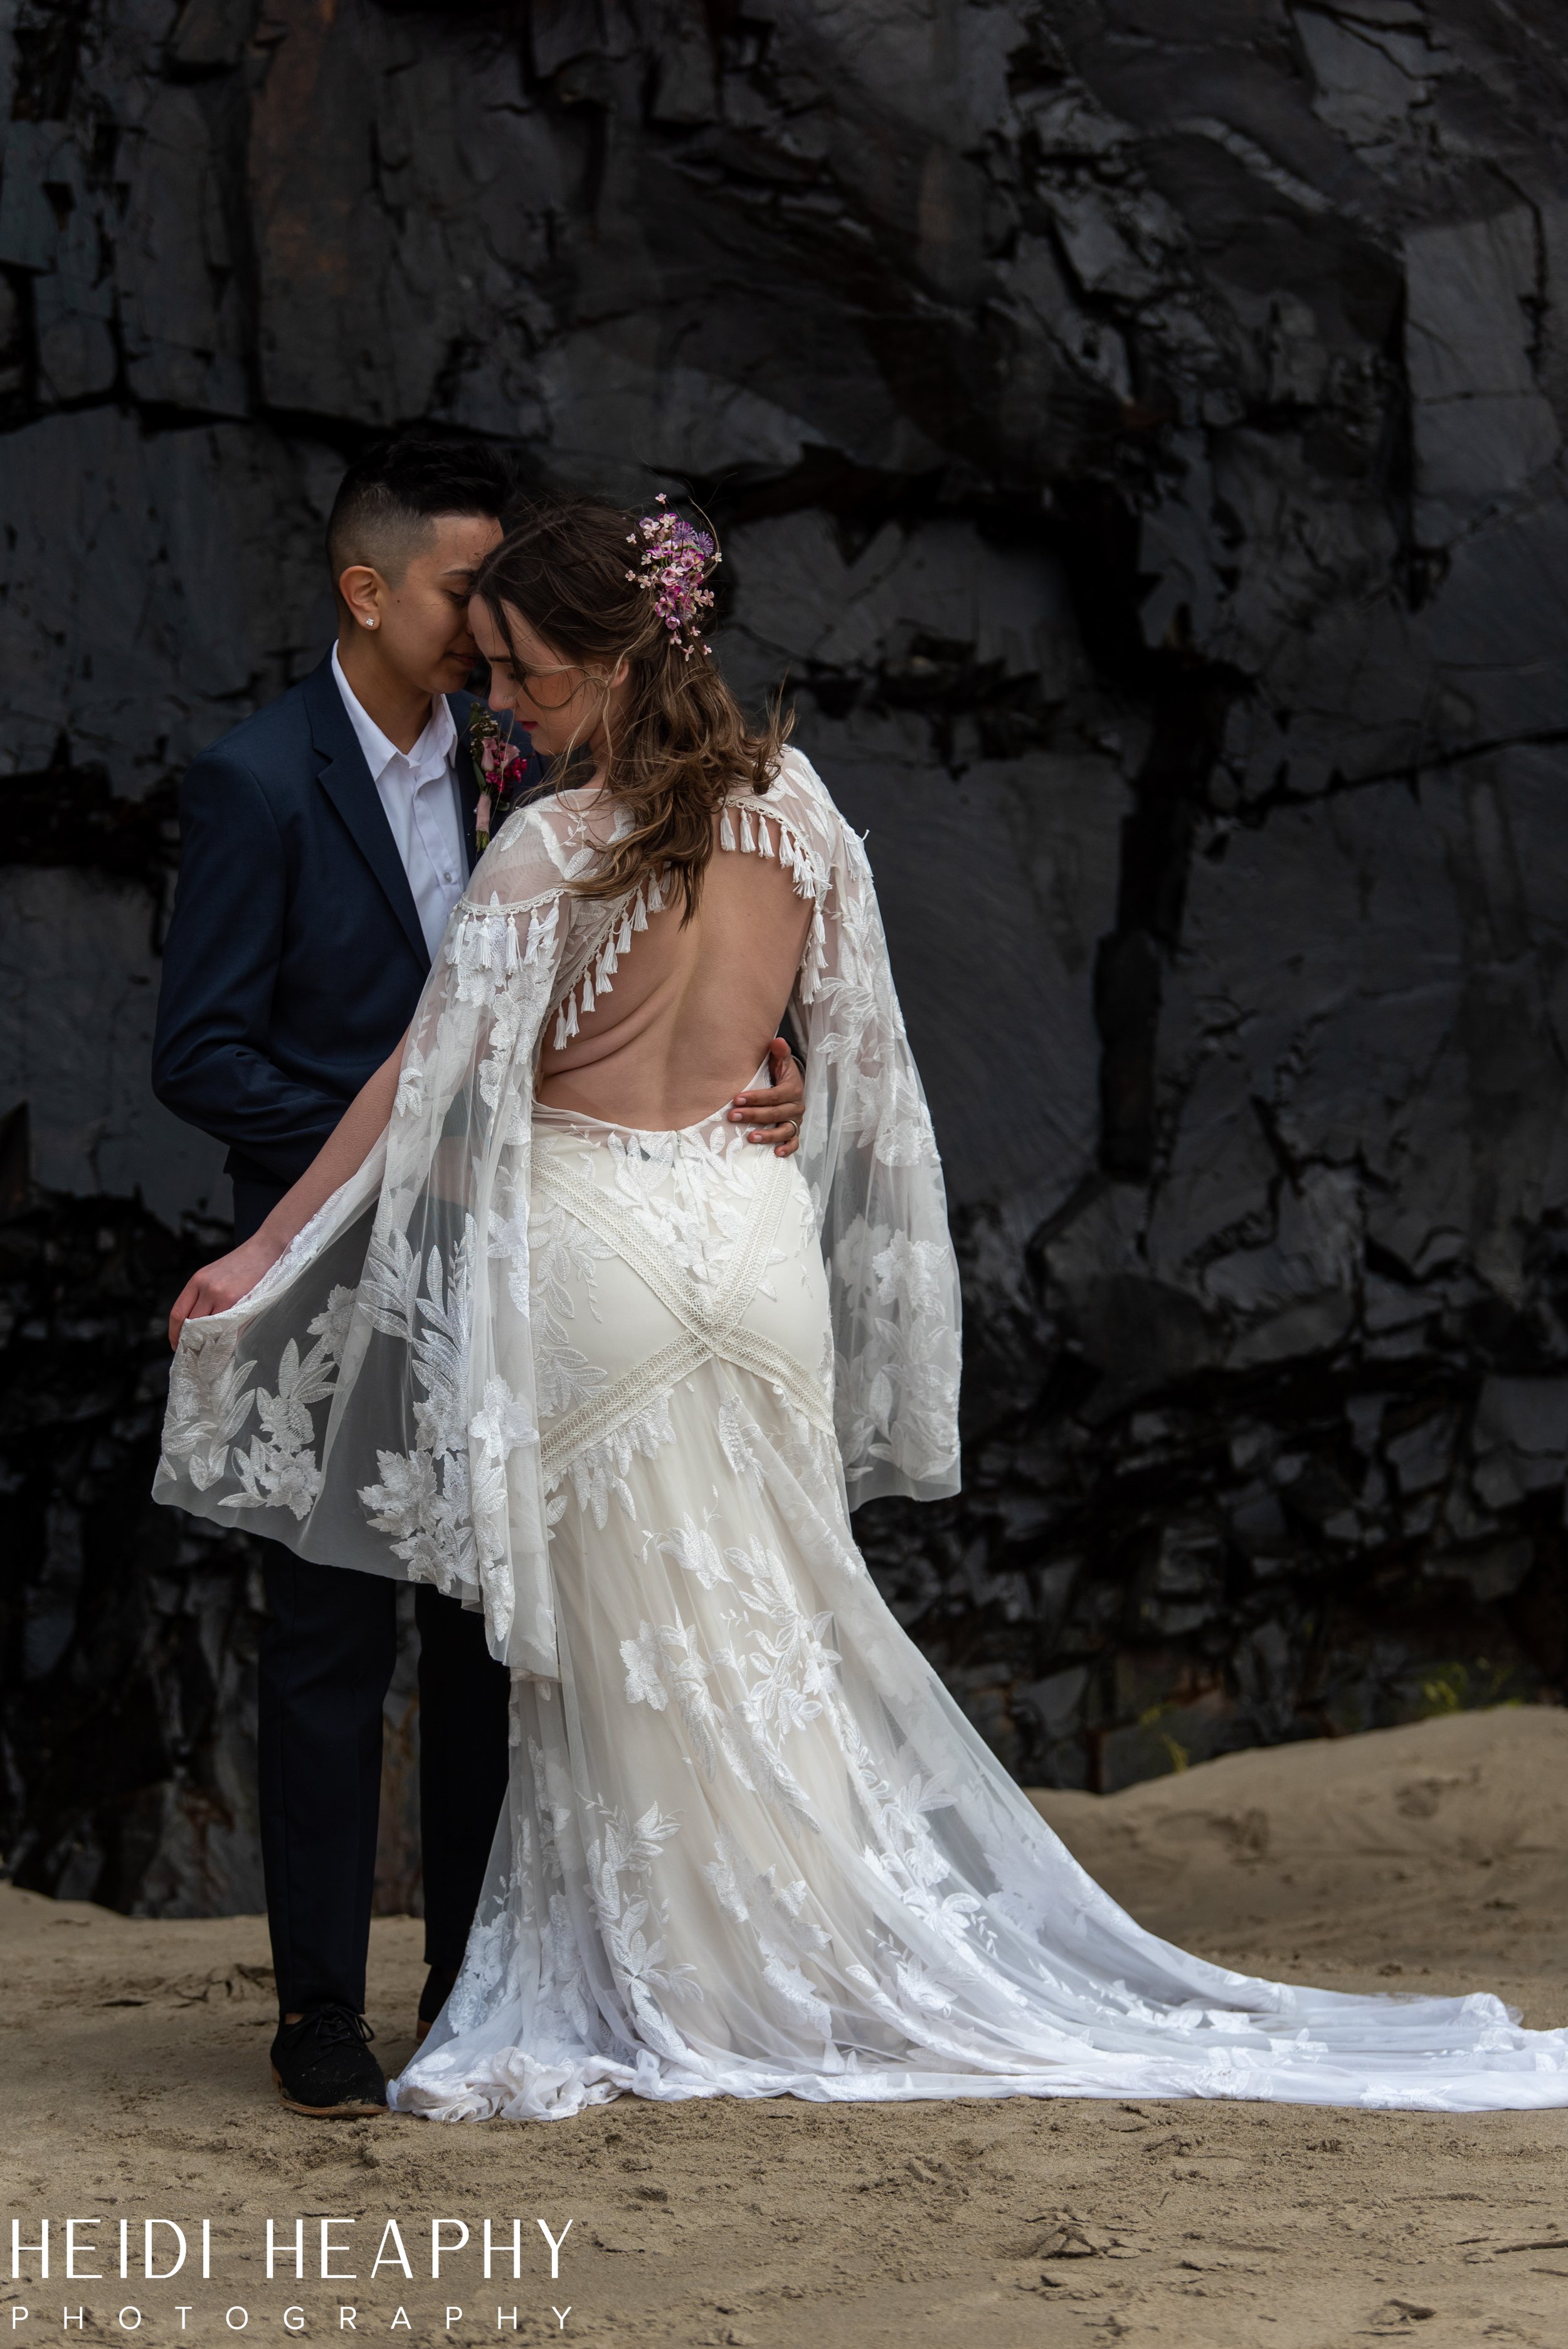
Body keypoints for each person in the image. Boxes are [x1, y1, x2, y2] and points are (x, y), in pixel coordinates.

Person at [156, 493, 1568, 2119]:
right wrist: (773, 1075)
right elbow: (870, 1074)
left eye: (535, 673)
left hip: (597, 1253)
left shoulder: (554, 844)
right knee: (750, 1615)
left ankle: (646, 1981)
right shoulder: (802, 813)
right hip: (751, 1261)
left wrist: (272, 1247)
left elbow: (424, 1084)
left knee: (606, 1650)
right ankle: (767, 1960)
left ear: (618, 663)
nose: (513, 703)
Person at [150, 453, 803, 2119]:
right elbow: (203, 1052)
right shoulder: (254, 782)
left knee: (482, 1632)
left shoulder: (539, 759)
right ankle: (315, 2012)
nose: (485, 640)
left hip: (531, 1271)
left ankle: (464, 1984)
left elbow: (657, 943)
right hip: (346, 1257)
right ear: (367, 593)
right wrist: (425, 1144)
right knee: (321, 1642)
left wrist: (755, 1058)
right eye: (461, 597)